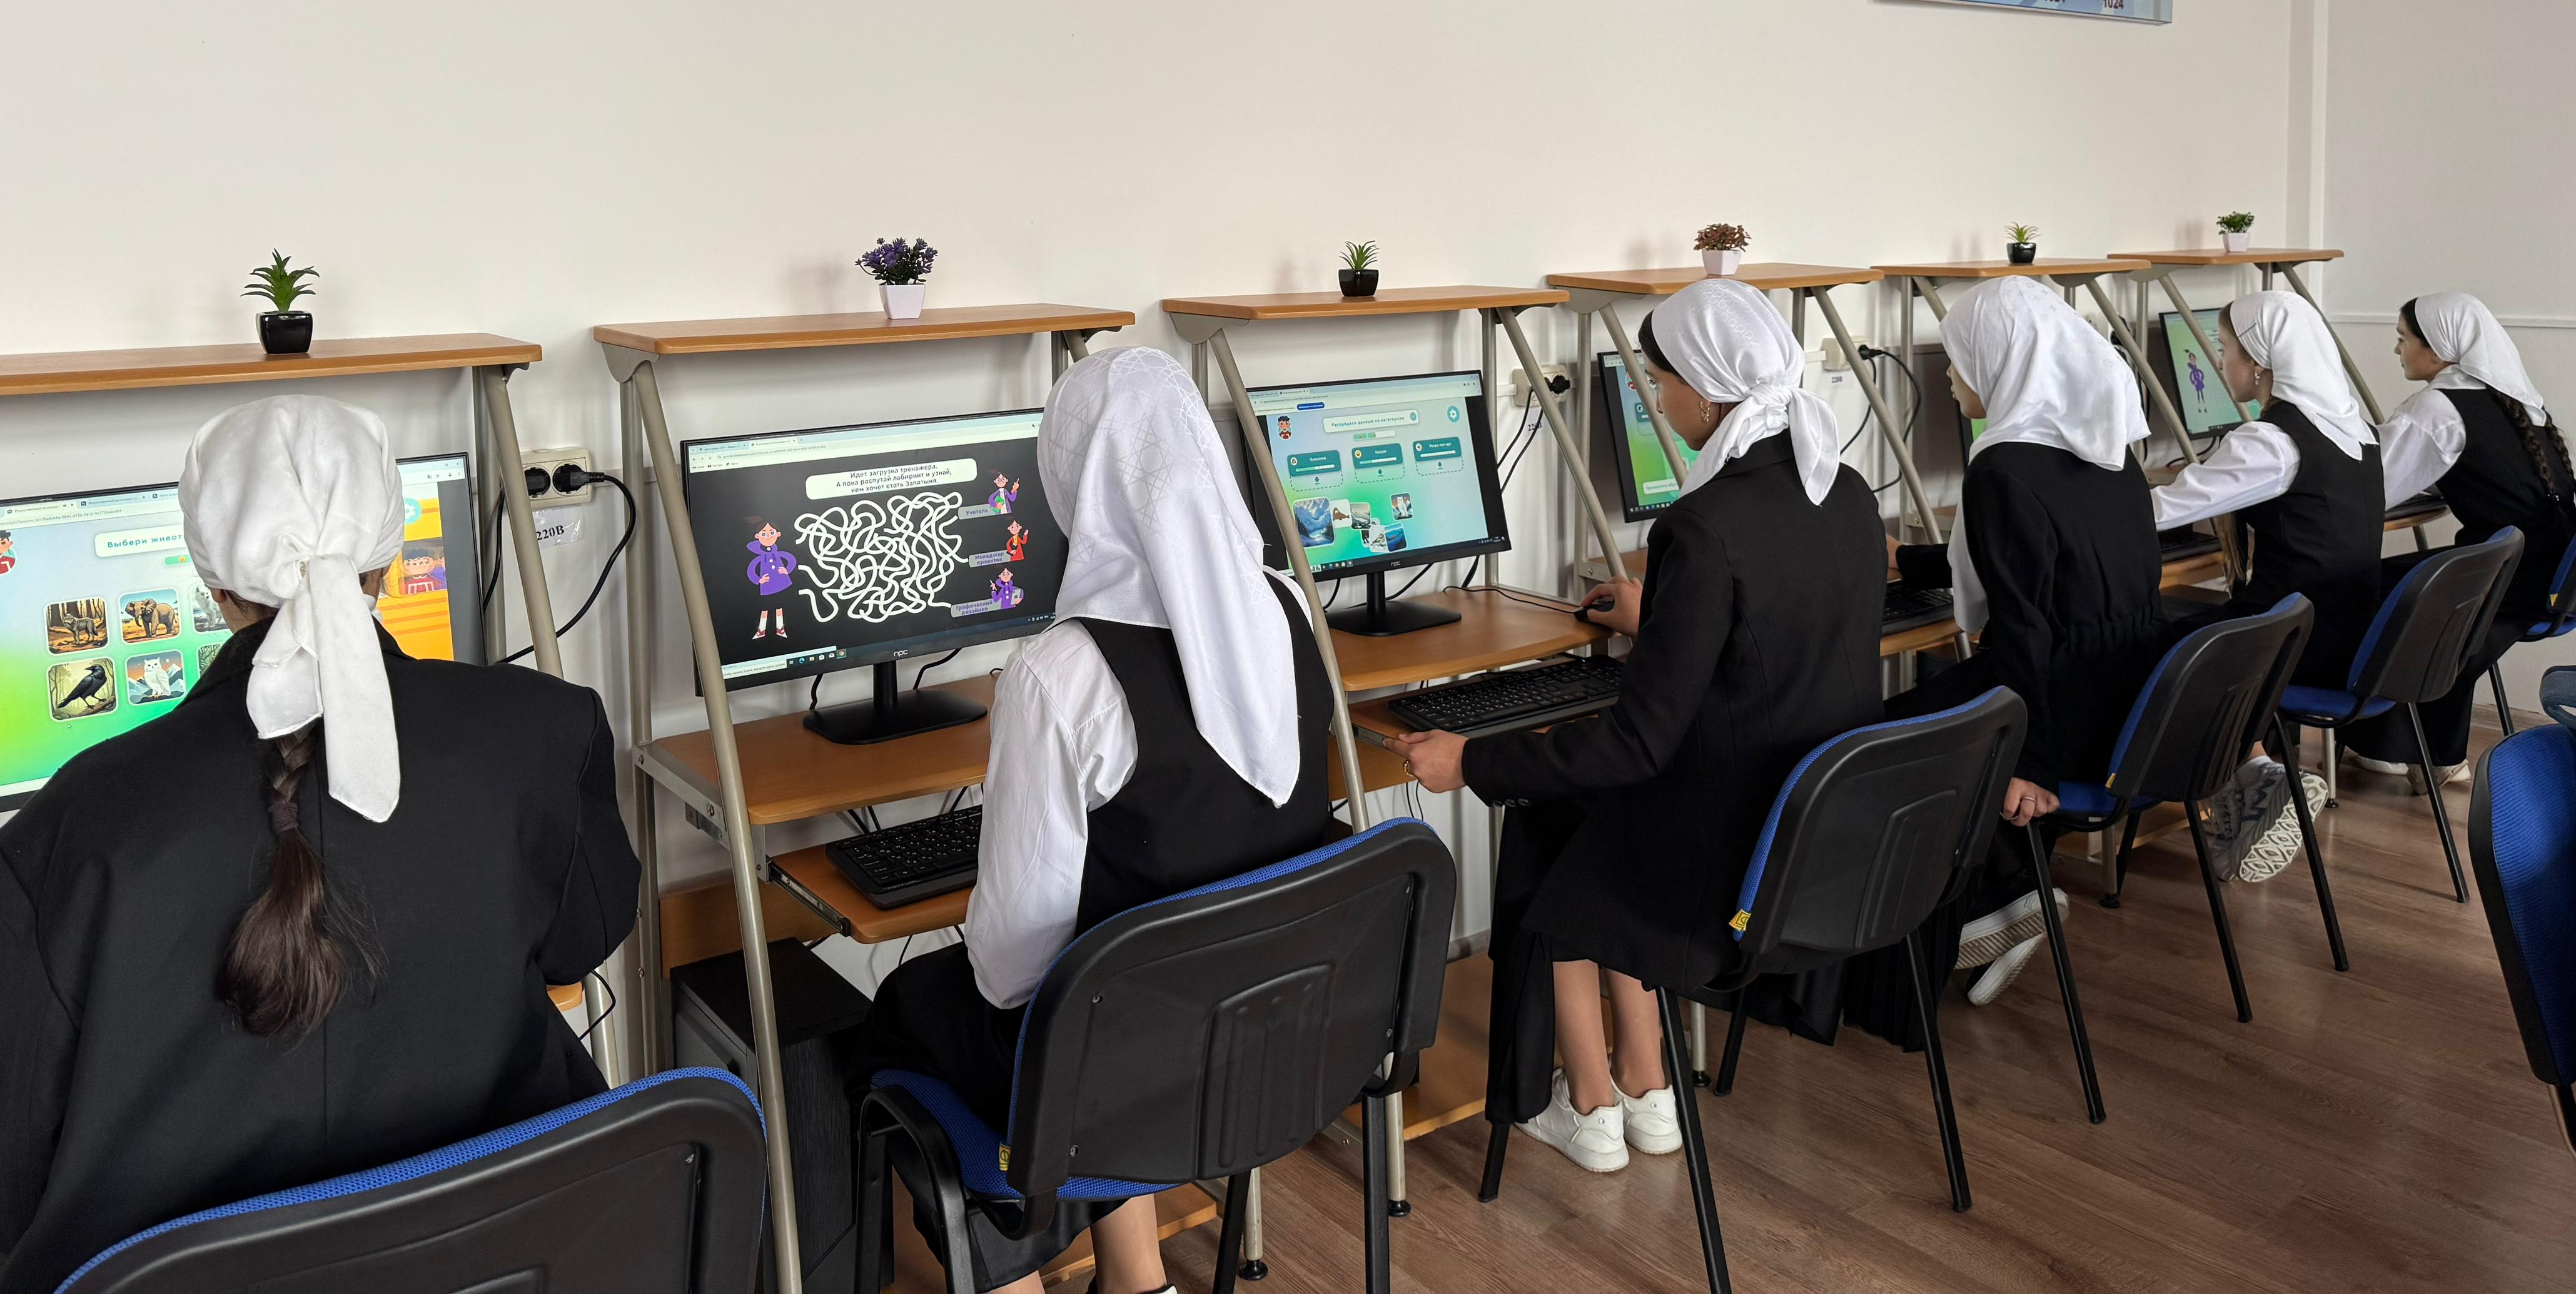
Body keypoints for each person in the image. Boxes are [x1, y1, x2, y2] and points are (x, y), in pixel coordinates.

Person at [0, 395, 637, 1294]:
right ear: (386, 562)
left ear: (213, 583)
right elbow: (580, 944)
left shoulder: (70, 825)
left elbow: (11, 1197)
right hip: (506, 1260)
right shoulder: (548, 730)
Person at [848, 348, 1335, 1294]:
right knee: (1115, 985)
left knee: (906, 1016)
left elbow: (1010, 971)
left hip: (1113, 1063)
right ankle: (1136, 1277)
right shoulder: (1285, 609)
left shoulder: (1061, 673)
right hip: (1261, 1034)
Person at [1388, 278, 1881, 1176]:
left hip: (1725, 857)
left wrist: (1472, 760)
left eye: (1661, 381)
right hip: (1810, 832)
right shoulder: (1840, 487)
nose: (1657, 400)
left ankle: (1589, 1106)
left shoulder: (1703, 524)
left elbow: (1638, 743)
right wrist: (1661, 619)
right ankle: (1647, 1088)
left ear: (1706, 389)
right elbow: (1775, 632)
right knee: (1595, 816)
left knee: (1546, 828)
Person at [1884, 278, 2214, 1011]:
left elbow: (2024, 627)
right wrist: (1907, 562)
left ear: (2004, 360)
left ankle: (1992, 904)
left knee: (1874, 738)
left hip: (2060, 710)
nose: (1949, 376)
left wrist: (2026, 764)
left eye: (1960, 358)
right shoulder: (2105, 449)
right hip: (2126, 699)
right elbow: (2038, 559)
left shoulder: (2000, 468)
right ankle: (2010, 892)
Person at [2350, 293, 2575, 782]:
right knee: (2411, 587)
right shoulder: (2518, 400)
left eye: (2403, 339)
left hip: (2505, 581)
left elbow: (2367, 489)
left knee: (2358, 585)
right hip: (2549, 579)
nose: (2397, 350)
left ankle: (2396, 744)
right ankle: (2416, 748)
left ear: (2439, 348)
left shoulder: (2439, 405)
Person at [2150, 293, 2385, 690]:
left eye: (2224, 348)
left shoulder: (2273, 442)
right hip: (2347, 636)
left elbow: (2161, 511)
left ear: (2258, 362)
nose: (2220, 362)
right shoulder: (2356, 430)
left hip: (2292, 645)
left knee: (2134, 647)